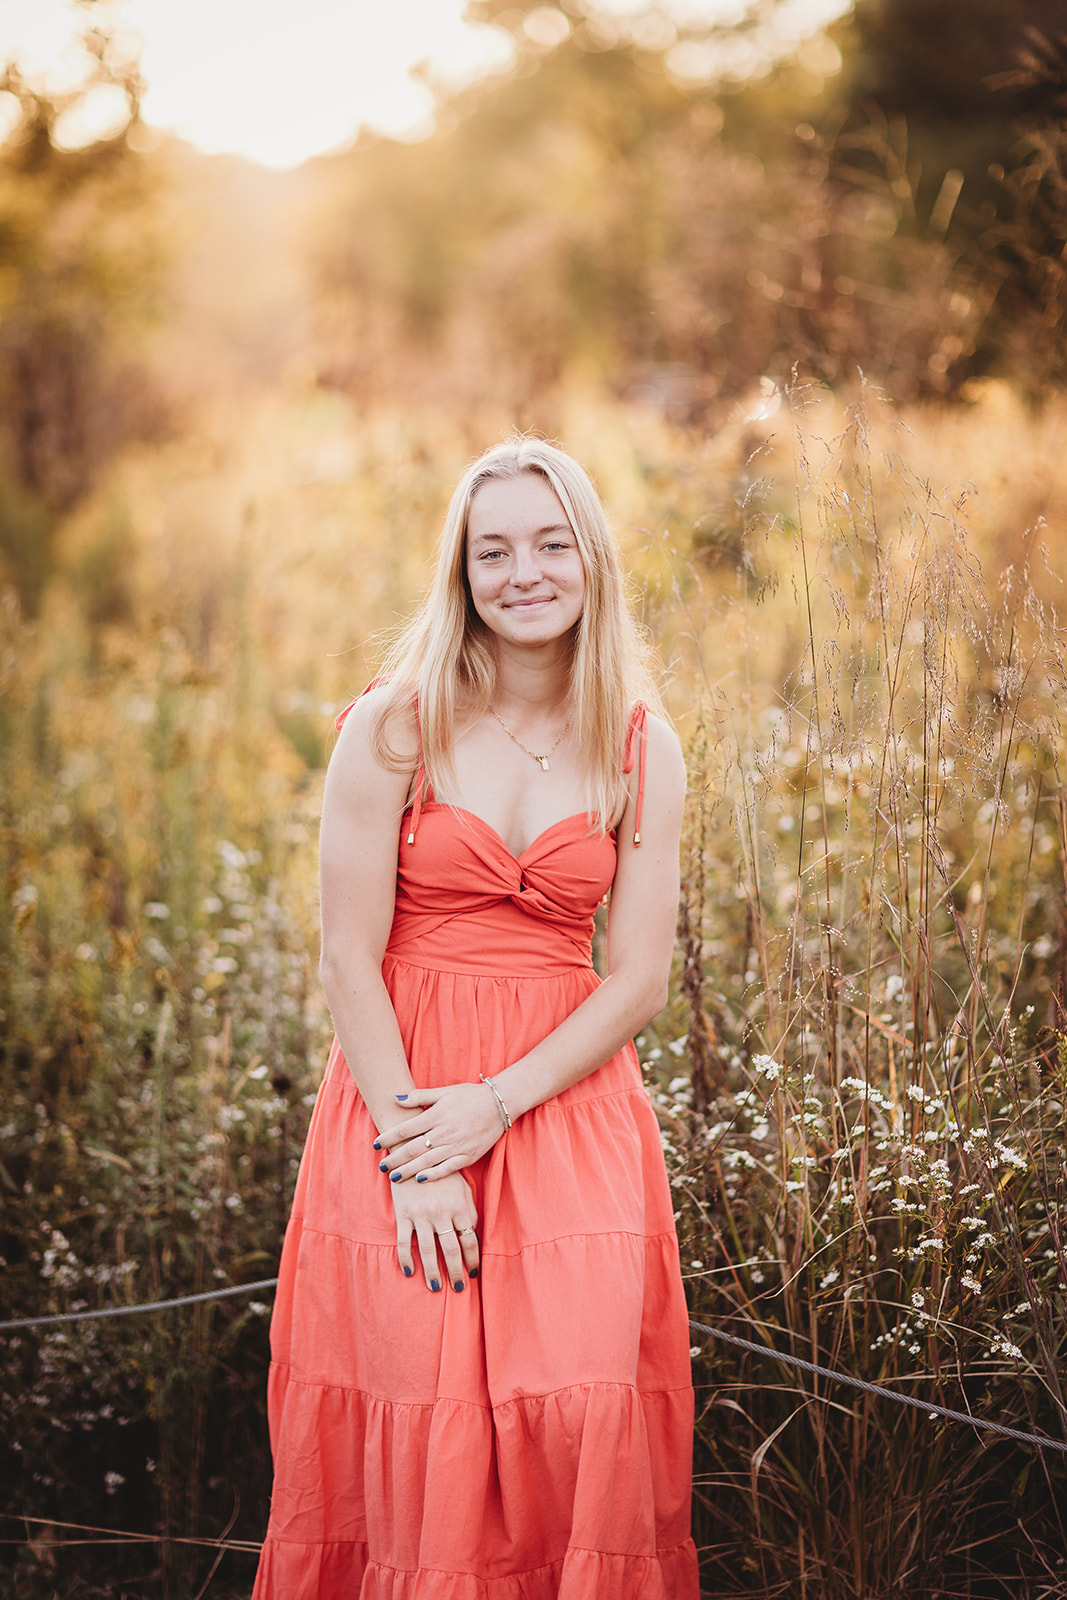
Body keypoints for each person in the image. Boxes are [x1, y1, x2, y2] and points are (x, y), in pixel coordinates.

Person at [252, 438, 700, 1599]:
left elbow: (637, 978)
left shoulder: (643, 749)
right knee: (414, 1420)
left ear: (591, 560)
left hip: (564, 1107)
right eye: (491, 549)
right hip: (400, 1107)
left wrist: (494, 1108)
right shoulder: (393, 728)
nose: (524, 573)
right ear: (460, 571)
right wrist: (419, 1153)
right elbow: (349, 952)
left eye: (551, 544)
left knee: (585, 1407)